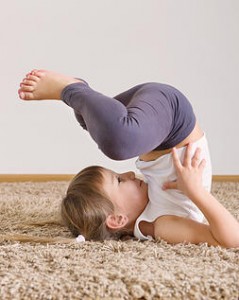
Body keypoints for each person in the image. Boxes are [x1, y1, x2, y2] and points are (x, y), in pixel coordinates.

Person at [16, 69, 239, 247]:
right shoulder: (161, 226)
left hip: (152, 121)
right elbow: (231, 240)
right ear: (117, 219)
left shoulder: (150, 214)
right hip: (173, 120)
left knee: (113, 135)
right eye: (119, 180)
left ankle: (82, 99)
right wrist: (195, 191)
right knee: (119, 144)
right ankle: (73, 90)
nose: (130, 173)